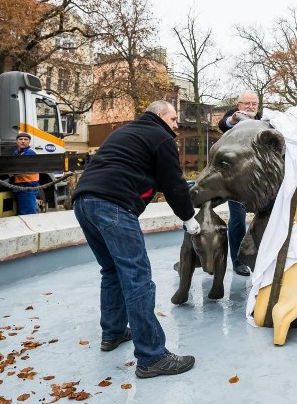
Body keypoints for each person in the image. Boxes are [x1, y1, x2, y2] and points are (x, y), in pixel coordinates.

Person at [72, 100, 201, 379]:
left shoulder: (125, 132)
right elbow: (174, 183)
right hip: (113, 205)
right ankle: (152, 356)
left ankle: (113, 332)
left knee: (111, 271)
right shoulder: (161, 136)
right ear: (159, 116)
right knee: (137, 276)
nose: (177, 125)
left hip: (84, 202)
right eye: (174, 118)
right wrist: (189, 218)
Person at [218, 91, 262, 277]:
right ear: (239, 105)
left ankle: (259, 256)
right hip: (236, 180)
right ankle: (238, 262)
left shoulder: (262, 120)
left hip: (258, 179)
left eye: (254, 104)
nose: (251, 107)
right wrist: (236, 118)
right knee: (237, 219)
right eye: (247, 104)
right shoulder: (232, 116)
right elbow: (224, 123)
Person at [13, 132, 39, 215]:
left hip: (28, 186)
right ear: (16, 141)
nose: (23, 141)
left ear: (29, 142)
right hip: (21, 185)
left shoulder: (29, 153)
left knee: (28, 213)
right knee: (23, 211)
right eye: (20, 139)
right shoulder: (17, 152)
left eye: (25, 139)